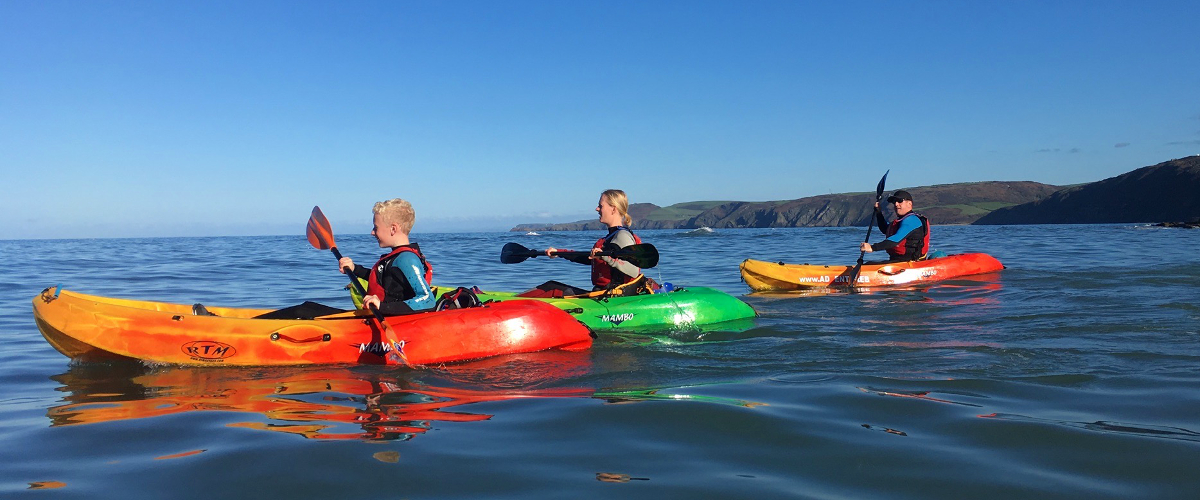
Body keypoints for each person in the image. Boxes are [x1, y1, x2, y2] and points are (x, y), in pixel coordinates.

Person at [338, 198, 435, 314]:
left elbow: (428, 300)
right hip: (384, 315)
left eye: (376, 228)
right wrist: (354, 269)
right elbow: (382, 281)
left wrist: (381, 306)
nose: (372, 232)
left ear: (393, 229)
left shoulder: (407, 259)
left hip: (396, 321)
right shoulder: (396, 257)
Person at [546, 189, 643, 291]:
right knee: (551, 287)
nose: (597, 209)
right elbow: (588, 259)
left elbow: (633, 270)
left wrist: (605, 257)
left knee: (550, 289)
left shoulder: (622, 236)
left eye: (601, 206)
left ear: (613, 209)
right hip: (602, 293)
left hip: (614, 297)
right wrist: (559, 253)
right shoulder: (610, 237)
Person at [860, 189, 930, 262]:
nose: (896, 204)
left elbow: (894, 240)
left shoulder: (912, 220)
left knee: (869, 264)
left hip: (911, 262)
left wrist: (872, 247)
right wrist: (878, 213)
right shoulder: (903, 220)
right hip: (898, 261)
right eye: (894, 202)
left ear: (909, 204)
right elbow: (885, 229)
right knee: (870, 263)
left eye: (900, 201)